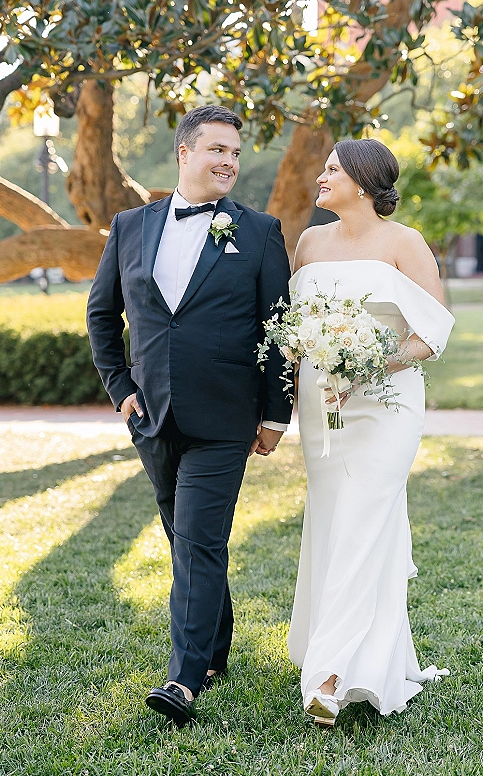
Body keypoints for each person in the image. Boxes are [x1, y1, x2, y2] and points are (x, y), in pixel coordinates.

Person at [86, 105, 292, 728]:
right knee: (188, 540)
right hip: (151, 417)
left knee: (197, 540)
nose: (230, 161)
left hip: (225, 420)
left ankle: (183, 678)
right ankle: (218, 643)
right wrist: (121, 389)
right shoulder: (128, 226)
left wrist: (276, 414)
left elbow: (278, 330)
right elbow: (101, 317)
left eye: (235, 152)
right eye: (217, 150)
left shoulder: (258, 232)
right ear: (185, 153)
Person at [287, 138, 455, 726]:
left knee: (363, 516)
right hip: (323, 404)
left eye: (332, 170)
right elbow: (297, 324)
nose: (322, 178)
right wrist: (318, 358)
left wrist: (365, 364)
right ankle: (367, 654)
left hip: (386, 405)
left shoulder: (404, 243)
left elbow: (430, 333)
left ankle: (328, 676)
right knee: (335, 520)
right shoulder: (310, 243)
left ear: (361, 181)